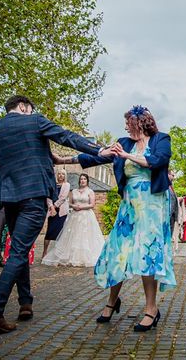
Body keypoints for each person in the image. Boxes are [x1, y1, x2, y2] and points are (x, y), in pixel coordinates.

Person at [0, 94, 108, 334]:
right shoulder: (35, 120)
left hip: (9, 198)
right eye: (30, 109)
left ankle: (25, 303)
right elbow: (67, 137)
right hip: (33, 196)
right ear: (23, 106)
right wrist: (100, 150)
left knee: (20, 247)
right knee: (19, 251)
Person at [75, 105, 175, 331]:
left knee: (147, 253)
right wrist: (62, 159)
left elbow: (157, 161)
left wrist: (127, 155)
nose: (125, 127)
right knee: (117, 252)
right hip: (129, 207)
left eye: (128, 123)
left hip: (152, 207)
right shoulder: (124, 142)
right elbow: (96, 156)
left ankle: (151, 309)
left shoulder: (161, 139)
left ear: (139, 123)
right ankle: (112, 301)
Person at [42, 173, 104, 267]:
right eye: (81, 179)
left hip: (86, 215)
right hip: (75, 215)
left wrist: (82, 207)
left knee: (85, 235)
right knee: (73, 235)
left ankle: (84, 257)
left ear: (87, 181)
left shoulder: (90, 191)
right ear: (79, 181)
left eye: (84, 179)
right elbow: (69, 203)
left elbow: (92, 204)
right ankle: (71, 256)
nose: (82, 180)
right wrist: (74, 206)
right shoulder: (74, 191)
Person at [43, 169, 70, 257]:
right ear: (57, 175)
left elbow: (63, 198)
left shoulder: (67, 185)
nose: (61, 175)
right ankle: (44, 251)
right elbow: (48, 197)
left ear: (65, 176)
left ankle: (58, 254)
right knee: (49, 232)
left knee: (60, 232)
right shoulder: (52, 184)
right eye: (59, 174)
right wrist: (51, 207)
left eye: (63, 174)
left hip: (61, 212)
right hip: (52, 212)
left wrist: (54, 207)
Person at [168, 170, 179, 236]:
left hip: (172, 214)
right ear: (167, 175)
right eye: (172, 175)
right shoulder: (164, 185)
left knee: (170, 235)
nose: (174, 177)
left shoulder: (171, 186)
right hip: (167, 214)